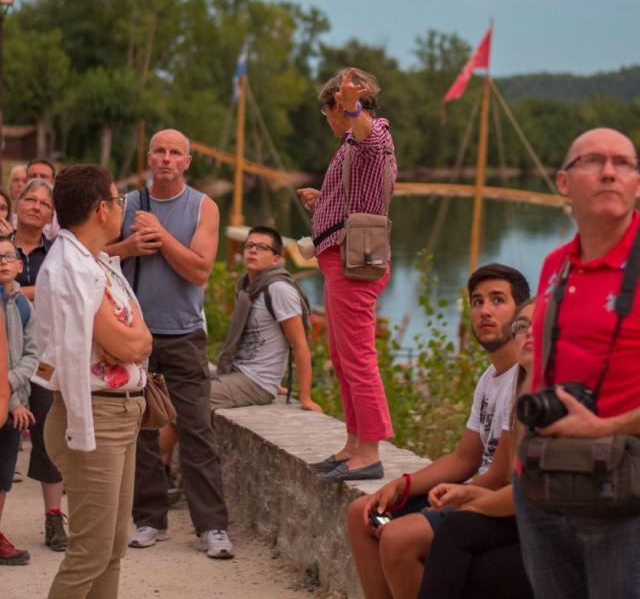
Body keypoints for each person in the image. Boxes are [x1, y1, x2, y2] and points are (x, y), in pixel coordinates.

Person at [347, 262, 530, 599]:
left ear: (520, 314)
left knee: (398, 537)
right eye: (477, 302)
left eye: (497, 300)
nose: (485, 311)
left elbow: (500, 475)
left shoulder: (522, 379)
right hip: (473, 491)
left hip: (497, 504)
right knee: (362, 512)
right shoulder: (489, 379)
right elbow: (465, 457)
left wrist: (451, 499)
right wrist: (402, 485)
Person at [515, 127, 640, 599]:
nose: (609, 171)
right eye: (592, 161)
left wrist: (603, 427)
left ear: (638, 184)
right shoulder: (554, 265)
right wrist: (521, 450)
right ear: (563, 183)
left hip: (623, 495)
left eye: (623, 163)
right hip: (542, 484)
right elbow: (539, 366)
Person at [108, 128, 232, 559]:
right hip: (131, 333)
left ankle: (212, 527)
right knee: (140, 430)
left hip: (183, 334)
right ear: (149, 157)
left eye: (174, 152)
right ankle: (148, 520)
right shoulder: (125, 204)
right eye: (159, 151)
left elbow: (199, 271)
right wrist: (128, 244)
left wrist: (160, 237)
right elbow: (95, 256)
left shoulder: (204, 206)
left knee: (197, 429)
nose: (165, 158)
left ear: (186, 162)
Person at [34, 164, 152, 599]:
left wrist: (137, 341)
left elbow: (138, 336)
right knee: (91, 550)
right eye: (119, 200)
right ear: (102, 209)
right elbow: (128, 343)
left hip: (120, 414)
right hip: (97, 418)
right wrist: (137, 341)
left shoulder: (97, 262)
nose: (123, 207)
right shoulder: (70, 268)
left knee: (113, 546)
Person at [298, 67, 397, 482]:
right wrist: (323, 202)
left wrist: (351, 104)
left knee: (358, 357)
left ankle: (370, 451)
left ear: (335, 108)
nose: (330, 122)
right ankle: (354, 443)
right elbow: (362, 194)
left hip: (352, 263)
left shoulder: (372, 136)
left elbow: (369, 137)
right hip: (341, 257)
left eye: (330, 113)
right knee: (342, 357)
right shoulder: (350, 148)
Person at [419, 299, 536, 599]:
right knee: (459, 542)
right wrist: (466, 495)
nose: (528, 334)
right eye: (522, 327)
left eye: (539, 325)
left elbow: (530, 492)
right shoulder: (523, 391)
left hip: (561, 532)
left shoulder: (556, 396)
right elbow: (468, 458)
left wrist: (472, 501)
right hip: (530, 520)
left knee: (457, 537)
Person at [212, 225, 322, 412]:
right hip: (237, 371)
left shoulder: (278, 289)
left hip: (257, 383)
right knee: (178, 384)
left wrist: (305, 398)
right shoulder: (246, 286)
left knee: (192, 396)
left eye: (262, 248)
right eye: (249, 246)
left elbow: (300, 345)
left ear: (276, 259)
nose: (253, 250)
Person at [12, 177, 67, 550]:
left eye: (44, 204)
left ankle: (53, 520)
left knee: (50, 436)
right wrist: (37, 292)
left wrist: (16, 289)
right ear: (16, 205)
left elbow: (61, 293)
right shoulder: (3, 247)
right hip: (6, 355)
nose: (35, 206)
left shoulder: (58, 252)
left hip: (47, 355)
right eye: (29, 199)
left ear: (51, 216)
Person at [0, 235, 37, 566]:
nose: (3, 262)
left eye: (9, 256)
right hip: (10, 403)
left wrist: (9, 389)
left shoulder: (25, 307)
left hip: (14, 403)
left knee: (3, 473)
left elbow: (31, 356)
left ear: (20, 266)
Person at [25, 157, 59, 238]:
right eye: (33, 176)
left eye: (43, 176)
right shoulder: (15, 210)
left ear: (52, 181)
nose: (38, 179)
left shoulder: (61, 213)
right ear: (26, 180)